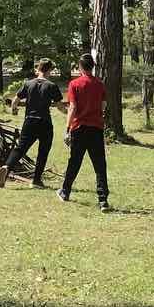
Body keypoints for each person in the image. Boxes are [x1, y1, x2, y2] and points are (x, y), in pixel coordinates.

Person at [0, 58, 64, 188]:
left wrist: (14, 110)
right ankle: (36, 180)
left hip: (29, 121)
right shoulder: (51, 86)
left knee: (20, 148)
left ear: (38, 69)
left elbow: (15, 100)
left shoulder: (28, 84)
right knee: (43, 150)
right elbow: (59, 106)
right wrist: (69, 112)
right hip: (44, 122)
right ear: (50, 70)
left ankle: (7, 166)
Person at [60, 52, 110, 212]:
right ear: (93, 66)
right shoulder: (100, 84)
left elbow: (73, 107)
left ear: (80, 67)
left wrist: (68, 128)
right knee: (99, 165)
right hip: (96, 128)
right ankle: (103, 200)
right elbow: (103, 106)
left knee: (74, 161)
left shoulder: (74, 84)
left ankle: (65, 192)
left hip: (79, 128)